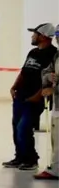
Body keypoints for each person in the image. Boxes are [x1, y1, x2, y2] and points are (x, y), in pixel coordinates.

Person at [6, 23, 57, 171]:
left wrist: (37, 96)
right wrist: (14, 86)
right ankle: (19, 157)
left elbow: (50, 78)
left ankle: (31, 159)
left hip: (35, 98)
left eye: (35, 34)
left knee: (24, 127)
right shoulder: (33, 52)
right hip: (21, 95)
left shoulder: (53, 54)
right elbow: (24, 72)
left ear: (43, 36)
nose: (32, 36)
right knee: (16, 126)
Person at [36, 50, 58, 180]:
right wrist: (48, 77)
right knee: (56, 138)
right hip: (57, 105)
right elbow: (45, 72)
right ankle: (55, 168)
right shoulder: (57, 56)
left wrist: (54, 89)